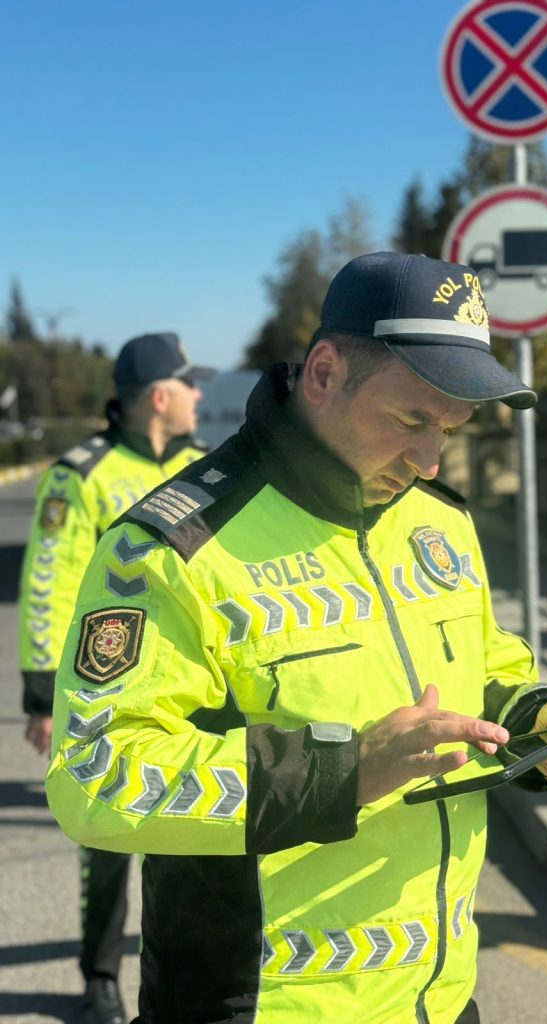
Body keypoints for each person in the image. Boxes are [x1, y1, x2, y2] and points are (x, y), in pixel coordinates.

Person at [45, 253, 547, 1024]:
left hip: (441, 1000)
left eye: (451, 429)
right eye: (411, 420)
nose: (428, 459)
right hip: (261, 1006)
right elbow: (94, 774)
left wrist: (538, 724)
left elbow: (484, 671)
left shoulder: (441, 521)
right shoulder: (170, 547)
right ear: (324, 373)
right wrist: (343, 773)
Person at [20, 332, 215, 1024]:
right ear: (160, 397)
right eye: (190, 384)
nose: (199, 396)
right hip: (105, 690)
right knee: (105, 840)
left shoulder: (208, 469)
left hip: (194, 690)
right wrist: (41, 696)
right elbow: (48, 583)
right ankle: (100, 976)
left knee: (194, 840)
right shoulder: (80, 475)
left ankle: (184, 985)